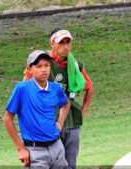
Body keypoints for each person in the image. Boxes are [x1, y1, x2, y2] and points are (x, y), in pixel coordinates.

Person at [23, 28, 94, 169]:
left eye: (68, 42)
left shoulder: (75, 65)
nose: (66, 46)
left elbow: (89, 87)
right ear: (52, 44)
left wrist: (83, 111)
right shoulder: (41, 62)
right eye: (61, 43)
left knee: (70, 164)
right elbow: (25, 88)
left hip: (72, 121)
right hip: (48, 120)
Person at [3, 50, 71, 169]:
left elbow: (66, 103)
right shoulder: (22, 89)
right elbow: (7, 118)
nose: (44, 70)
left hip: (57, 147)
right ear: (30, 70)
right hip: (35, 151)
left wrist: (60, 123)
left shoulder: (55, 88)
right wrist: (21, 149)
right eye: (39, 66)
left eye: (46, 65)